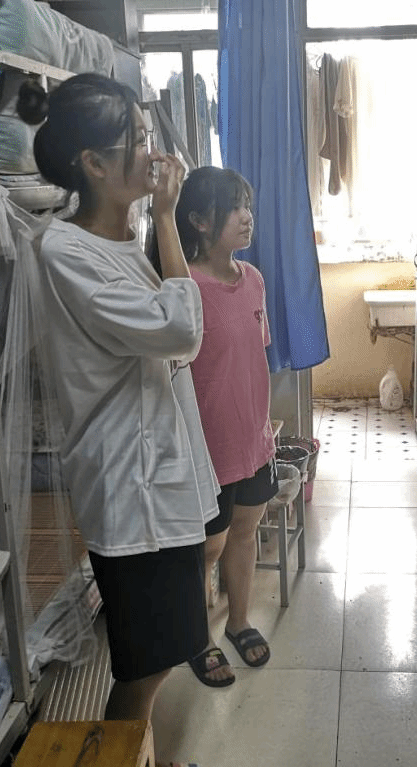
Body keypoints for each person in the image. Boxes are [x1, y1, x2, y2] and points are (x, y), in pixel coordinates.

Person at [19, 74, 218, 767]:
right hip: (128, 487)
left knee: (160, 655)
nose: (152, 151)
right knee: (143, 666)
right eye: (136, 138)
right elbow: (181, 330)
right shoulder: (65, 252)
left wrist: (154, 226)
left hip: (156, 474)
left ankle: (149, 760)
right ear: (94, 164)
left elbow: (174, 336)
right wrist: (167, 218)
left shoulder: (120, 241)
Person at [154, 166, 278, 687]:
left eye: (247, 205)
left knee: (246, 532)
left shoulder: (254, 280)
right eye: (234, 208)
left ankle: (239, 621)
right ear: (200, 221)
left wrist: (264, 429)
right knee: (207, 548)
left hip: (253, 437)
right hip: (208, 446)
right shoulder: (187, 288)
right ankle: (199, 639)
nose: (247, 216)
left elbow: (254, 356)